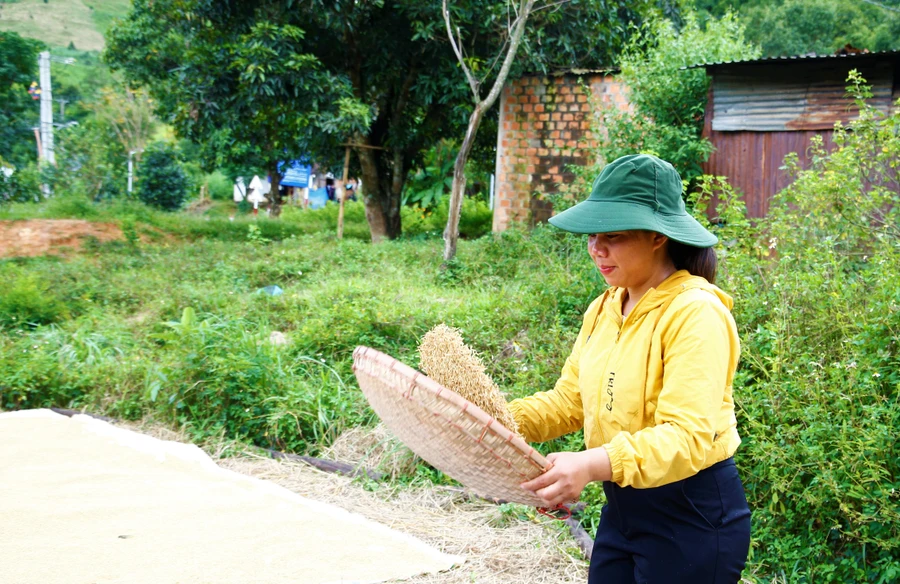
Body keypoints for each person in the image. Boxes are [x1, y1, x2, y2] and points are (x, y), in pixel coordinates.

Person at [510, 154, 751, 584]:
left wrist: (587, 465)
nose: (596, 248)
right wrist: (496, 419)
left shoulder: (695, 313)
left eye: (613, 236)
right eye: (591, 235)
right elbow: (571, 401)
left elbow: (686, 437)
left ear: (658, 236)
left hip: (692, 518)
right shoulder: (605, 307)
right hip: (622, 510)